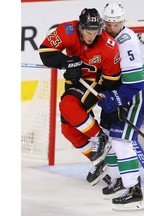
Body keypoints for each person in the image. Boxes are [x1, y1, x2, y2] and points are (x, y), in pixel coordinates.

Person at [39, 8, 122, 185]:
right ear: (80, 27)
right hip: (75, 84)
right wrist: (66, 63)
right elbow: (45, 52)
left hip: (95, 84)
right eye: (87, 31)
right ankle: (99, 161)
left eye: (95, 31)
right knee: (68, 130)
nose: (91, 36)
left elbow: (112, 81)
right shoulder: (68, 30)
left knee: (68, 106)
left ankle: (100, 137)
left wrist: (108, 100)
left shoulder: (109, 46)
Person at [93, 2, 144, 211]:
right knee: (108, 136)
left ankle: (134, 192)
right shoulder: (102, 35)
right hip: (120, 91)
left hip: (135, 94)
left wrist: (118, 100)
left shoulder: (126, 41)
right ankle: (119, 180)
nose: (112, 27)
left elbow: (135, 83)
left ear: (123, 21)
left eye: (116, 23)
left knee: (121, 140)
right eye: (108, 23)